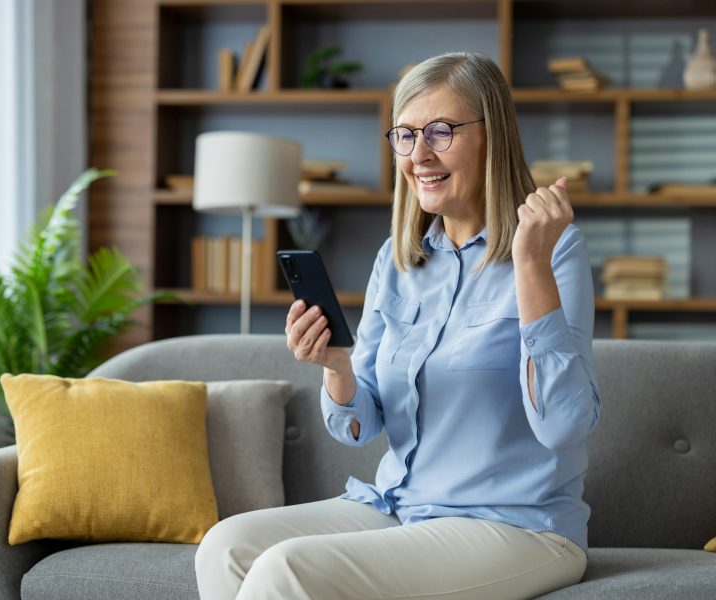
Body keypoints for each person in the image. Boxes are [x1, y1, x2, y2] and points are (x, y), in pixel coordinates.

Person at [195, 51, 601, 600]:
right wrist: (336, 366)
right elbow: (359, 423)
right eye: (405, 135)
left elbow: (564, 425)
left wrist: (529, 263)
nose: (419, 155)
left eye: (440, 131)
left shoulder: (555, 253)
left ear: (494, 135)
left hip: (516, 525)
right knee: (226, 545)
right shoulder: (400, 258)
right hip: (400, 506)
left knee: (285, 572)